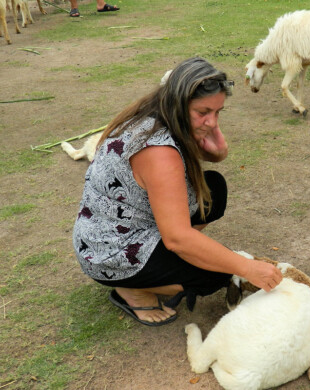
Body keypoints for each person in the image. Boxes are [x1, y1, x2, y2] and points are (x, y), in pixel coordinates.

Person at [72, 56, 283, 326]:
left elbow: (217, 154)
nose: (211, 121)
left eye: (218, 112)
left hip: (113, 228)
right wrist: (248, 268)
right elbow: (178, 240)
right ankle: (133, 291)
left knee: (213, 188)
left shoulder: (157, 112)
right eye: (203, 112)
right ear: (179, 103)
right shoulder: (159, 152)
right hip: (107, 251)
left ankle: (168, 259)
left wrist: (212, 129)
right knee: (216, 275)